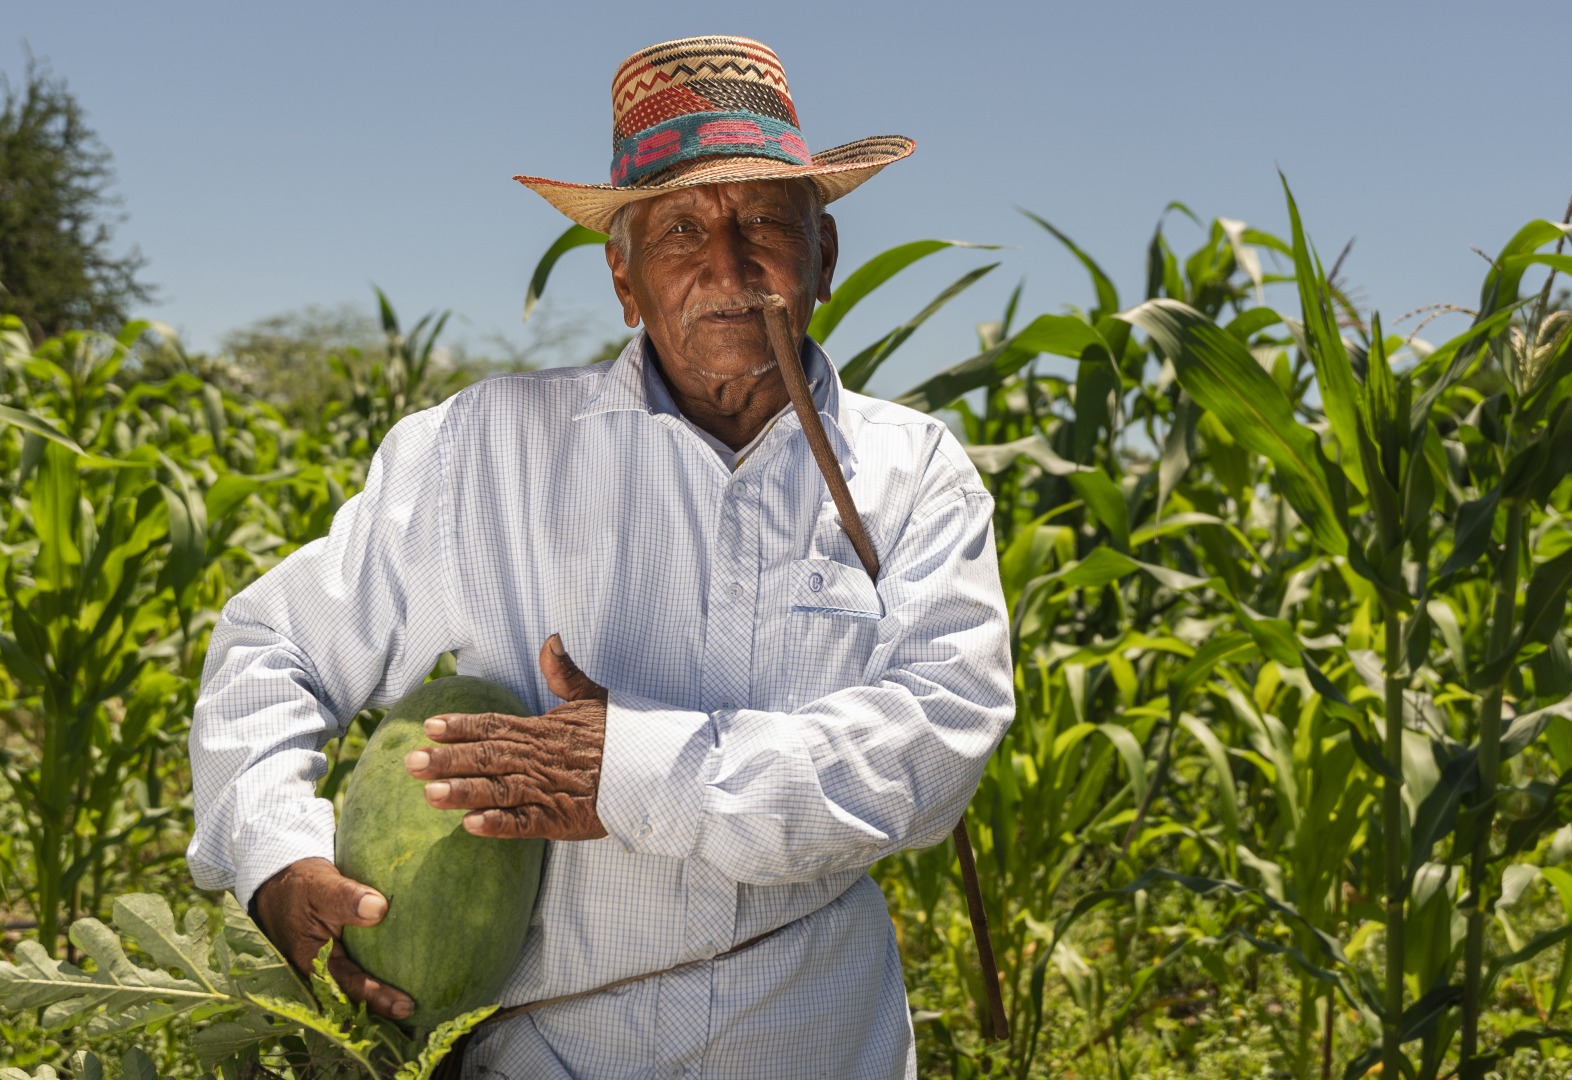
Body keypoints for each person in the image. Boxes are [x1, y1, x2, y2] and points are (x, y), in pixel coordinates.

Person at [186, 35, 1015, 1079]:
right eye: (678, 229)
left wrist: (629, 772)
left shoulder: (914, 471)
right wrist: (274, 859)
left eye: (766, 220)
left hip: (816, 1039)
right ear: (623, 279)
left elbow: (937, 741)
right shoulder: (484, 450)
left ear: (826, 255)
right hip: (546, 1051)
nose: (728, 265)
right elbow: (273, 649)